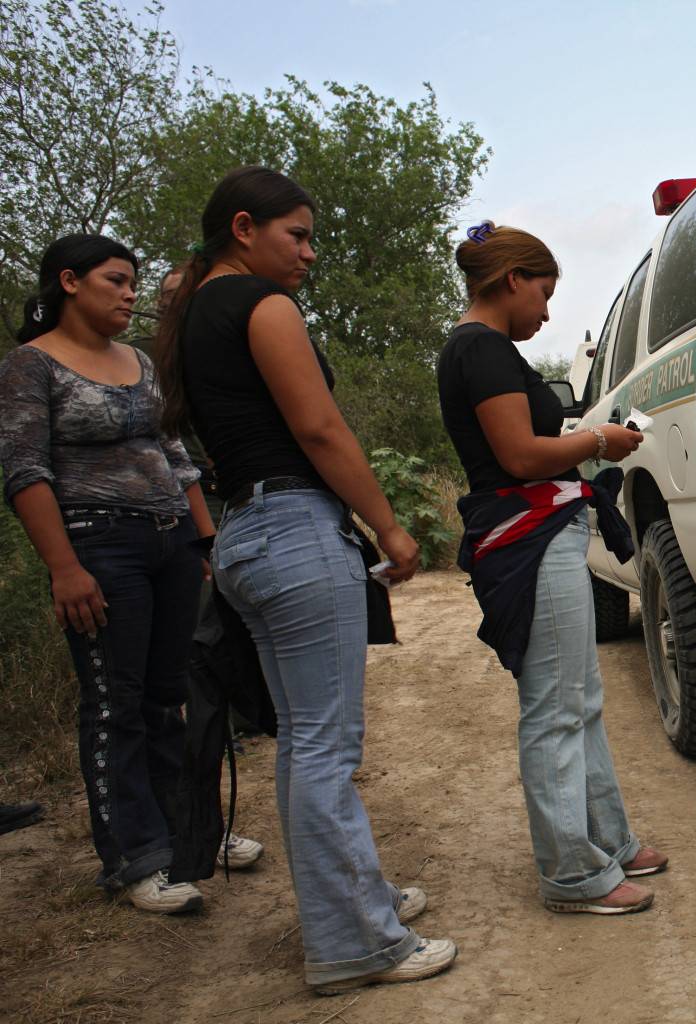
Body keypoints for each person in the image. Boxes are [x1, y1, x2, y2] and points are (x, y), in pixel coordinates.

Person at [157, 165, 456, 991]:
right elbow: (319, 429)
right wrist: (388, 526)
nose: (310, 253)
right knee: (325, 746)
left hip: (244, 534)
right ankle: (356, 943)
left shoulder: (192, 315)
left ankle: (355, 905)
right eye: (298, 235)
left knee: (304, 742)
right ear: (244, 227)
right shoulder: (261, 304)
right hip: (293, 528)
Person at [436, 223, 666, 915]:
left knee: (578, 698)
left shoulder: (485, 349)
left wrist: (586, 441)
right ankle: (571, 874)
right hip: (528, 537)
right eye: (543, 292)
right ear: (512, 280)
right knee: (556, 707)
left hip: (541, 531)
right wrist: (598, 440)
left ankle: (608, 841)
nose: (545, 311)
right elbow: (518, 456)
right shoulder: (481, 349)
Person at [0, 234, 214, 913]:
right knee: (114, 700)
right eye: (116, 281)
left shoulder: (141, 362)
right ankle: (135, 856)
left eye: (132, 282)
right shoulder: (30, 365)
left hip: (171, 540)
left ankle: (185, 840)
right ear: (69, 282)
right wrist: (64, 568)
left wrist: (204, 543)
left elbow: (175, 455)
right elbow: (25, 471)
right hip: (99, 544)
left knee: (167, 695)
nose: (129, 295)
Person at [133, 267, 265, 876]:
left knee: (211, 657)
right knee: (185, 672)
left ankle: (203, 824)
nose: (175, 305)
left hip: (217, 509)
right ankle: (180, 832)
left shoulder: (217, 350)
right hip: (158, 526)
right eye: (167, 297)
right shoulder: (145, 363)